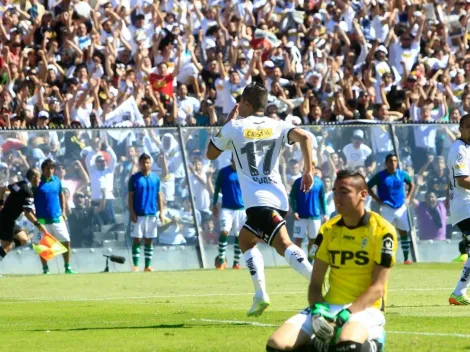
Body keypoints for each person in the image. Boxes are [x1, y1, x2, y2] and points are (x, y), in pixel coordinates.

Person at [206, 82, 314, 317]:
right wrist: (309, 170)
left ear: (245, 103)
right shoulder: (277, 125)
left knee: (284, 245)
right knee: (246, 240)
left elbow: (210, 154)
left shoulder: (235, 127)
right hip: (278, 198)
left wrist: (227, 124)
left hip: (258, 201)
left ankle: (320, 282)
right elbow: (305, 137)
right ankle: (260, 294)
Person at [266, 170, 397, 352]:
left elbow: (378, 289)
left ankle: (374, 344)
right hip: (329, 307)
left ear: (363, 195)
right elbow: (316, 283)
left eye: (344, 192)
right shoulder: (328, 230)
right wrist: (318, 309)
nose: (337, 197)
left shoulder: (383, 231)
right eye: (335, 192)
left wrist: (347, 313)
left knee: (347, 345)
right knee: (276, 345)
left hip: (365, 309)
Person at [367, 154, 415, 264]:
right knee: (384, 232)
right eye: (391, 161)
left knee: (403, 232)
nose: (393, 163)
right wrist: (376, 199)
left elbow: (411, 184)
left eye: (395, 161)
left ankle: (406, 258)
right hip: (386, 206)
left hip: (400, 206)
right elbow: (368, 186)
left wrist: (408, 198)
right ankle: (382, 257)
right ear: (386, 163)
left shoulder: (402, 174)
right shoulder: (380, 176)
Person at [34, 159, 77, 275]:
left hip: (57, 218)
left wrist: (63, 211)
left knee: (66, 240)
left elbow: (61, 195)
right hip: (42, 220)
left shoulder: (57, 181)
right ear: (42, 170)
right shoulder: (37, 183)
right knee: (42, 245)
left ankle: (67, 267)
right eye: (47, 168)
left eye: (52, 168)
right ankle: (45, 269)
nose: (50, 171)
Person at [0, 169, 48, 263]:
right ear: (34, 177)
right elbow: (27, 212)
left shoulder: (19, 184)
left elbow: (1, 189)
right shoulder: (28, 192)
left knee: (23, 239)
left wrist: (1, 205)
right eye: (39, 178)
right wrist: (38, 224)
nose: (40, 181)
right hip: (6, 220)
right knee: (7, 246)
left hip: (8, 219)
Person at [447, 114, 470, 305]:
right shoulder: (459, 149)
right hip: (465, 207)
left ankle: (459, 292)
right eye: (468, 126)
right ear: (460, 128)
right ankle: (458, 292)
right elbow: (462, 180)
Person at [128, 153, 164, 272]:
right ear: (139, 163)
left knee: (149, 239)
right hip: (139, 213)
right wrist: (132, 212)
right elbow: (130, 197)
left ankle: (147, 266)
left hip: (152, 213)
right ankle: (135, 265)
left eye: (147, 162)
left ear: (151, 163)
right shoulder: (134, 178)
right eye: (143, 162)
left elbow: (159, 195)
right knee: (137, 239)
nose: (145, 164)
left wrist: (161, 212)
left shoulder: (156, 178)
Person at [289, 162, 327, 262]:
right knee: (298, 240)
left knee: (313, 240)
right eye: (306, 168)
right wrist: (295, 211)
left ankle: (310, 261)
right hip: (300, 216)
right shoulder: (298, 182)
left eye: (311, 168)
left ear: (314, 169)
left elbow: (322, 198)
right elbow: (292, 197)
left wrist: (325, 213)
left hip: (315, 216)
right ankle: (298, 261)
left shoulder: (319, 183)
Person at [212, 158, 245, 270]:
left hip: (241, 208)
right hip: (227, 208)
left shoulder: (244, 172)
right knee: (224, 231)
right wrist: (214, 203)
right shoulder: (224, 172)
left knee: (239, 235)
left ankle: (236, 262)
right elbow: (217, 188)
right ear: (232, 160)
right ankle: (221, 260)